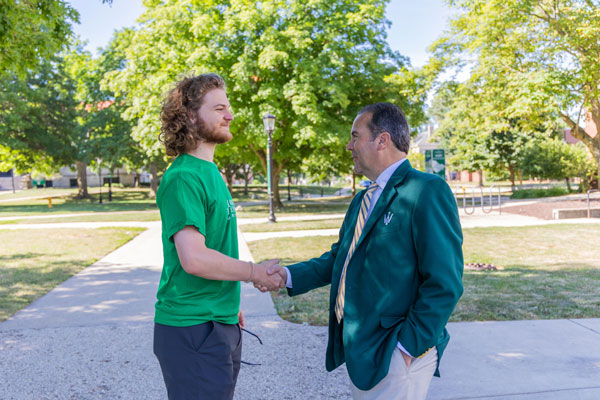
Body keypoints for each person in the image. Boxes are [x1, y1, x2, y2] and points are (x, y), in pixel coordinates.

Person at [268, 102, 464, 399]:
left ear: (382, 140)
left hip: (396, 352)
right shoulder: (362, 200)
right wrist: (286, 275)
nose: (349, 146)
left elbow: (445, 281)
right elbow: (339, 259)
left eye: (355, 136)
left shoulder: (426, 190)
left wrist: (407, 347)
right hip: (363, 348)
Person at [153, 73, 285, 400]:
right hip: (191, 327)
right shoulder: (183, 177)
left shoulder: (211, 172)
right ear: (189, 116)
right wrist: (254, 272)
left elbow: (214, 246)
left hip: (218, 319)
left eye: (229, 108)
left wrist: (229, 301)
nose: (230, 115)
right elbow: (194, 258)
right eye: (219, 108)